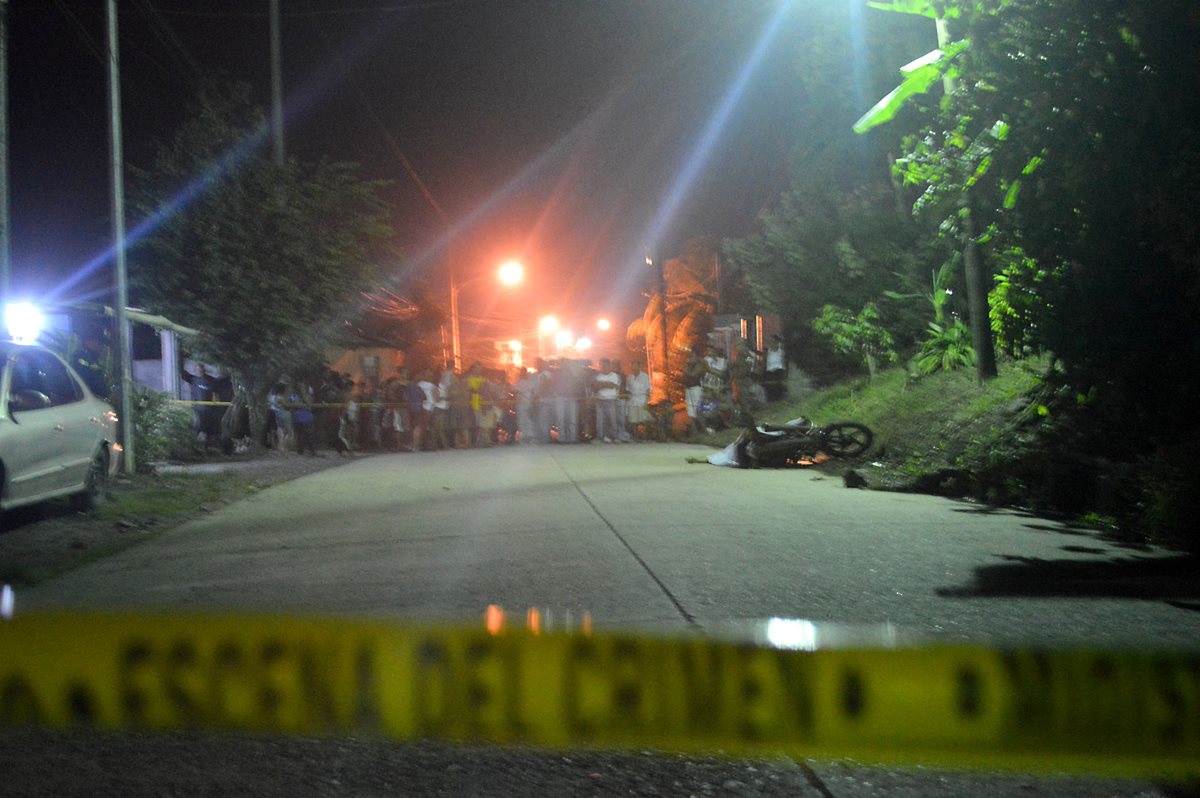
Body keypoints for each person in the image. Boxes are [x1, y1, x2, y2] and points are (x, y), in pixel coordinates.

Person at [593, 359, 620, 443]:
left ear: (610, 366)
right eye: (602, 365)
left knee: (612, 420)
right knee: (600, 421)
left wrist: (602, 384)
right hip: (600, 400)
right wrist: (606, 384)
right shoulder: (598, 376)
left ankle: (615, 437)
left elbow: (612, 386)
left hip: (611, 400)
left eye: (606, 365)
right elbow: (597, 387)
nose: (604, 367)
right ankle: (601, 437)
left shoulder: (614, 375)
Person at [625, 360, 651, 441]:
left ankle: (644, 436)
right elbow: (627, 389)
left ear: (639, 367)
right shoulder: (629, 377)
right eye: (632, 365)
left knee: (643, 420)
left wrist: (646, 401)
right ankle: (635, 436)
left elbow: (648, 389)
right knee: (633, 420)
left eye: (635, 365)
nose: (633, 367)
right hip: (632, 400)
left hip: (642, 399)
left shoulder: (645, 376)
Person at [683, 347, 706, 437]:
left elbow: (694, 374)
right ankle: (693, 430)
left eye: (692, 354)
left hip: (696, 387)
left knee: (697, 407)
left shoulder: (700, 363)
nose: (691, 356)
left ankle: (701, 428)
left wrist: (689, 366)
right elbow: (684, 372)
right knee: (690, 409)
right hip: (688, 387)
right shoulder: (689, 363)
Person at [268, 381, 294, 454]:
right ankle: (284, 446)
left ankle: (280, 446)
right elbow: (285, 405)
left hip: (276, 413)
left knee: (279, 430)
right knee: (288, 431)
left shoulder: (272, 397)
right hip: (283, 413)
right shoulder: (281, 397)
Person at [764, 334, 787, 401]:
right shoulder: (768, 351)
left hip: (779, 371)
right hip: (770, 372)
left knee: (777, 387)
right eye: (770, 341)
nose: (771, 342)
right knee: (770, 387)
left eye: (772, 340)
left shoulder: (781, 351)